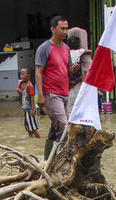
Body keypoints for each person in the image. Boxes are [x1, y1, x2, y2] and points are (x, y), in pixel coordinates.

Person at [35, 15, 80, 159]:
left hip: (64, 92)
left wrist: (72, 70)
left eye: (66, 29)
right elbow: (38, 71)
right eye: (62, 28)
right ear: (53, 29)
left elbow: (64, 70)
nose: (65, 31)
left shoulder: (66, 48)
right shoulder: (44, 48)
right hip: (51, 94)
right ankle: (65, 159)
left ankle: (48, 159)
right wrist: (40, 95)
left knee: (56, 128)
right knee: (64, 127)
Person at [65, 28, 92, 114]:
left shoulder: (67, 55)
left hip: (74, 86)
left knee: (72, 109)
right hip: (77, 85)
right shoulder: (84, 55)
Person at [16, 67, 40, 139]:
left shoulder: (30, 86)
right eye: (21, 74)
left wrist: (33, 109)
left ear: (28, 75)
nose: (21, 76)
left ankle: (38, 138)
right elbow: (22, 94)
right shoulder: (24, 86)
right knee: (28, 126)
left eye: (23, 74)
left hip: (30, 109)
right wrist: (18, 90)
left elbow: (32, 97)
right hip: (26, 109)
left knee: (33, 127)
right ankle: (31, 139)